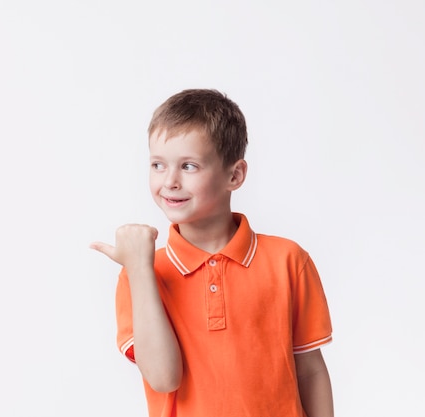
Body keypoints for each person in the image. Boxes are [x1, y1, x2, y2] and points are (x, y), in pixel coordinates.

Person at [90, 88, 334, 417]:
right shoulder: (141, 274)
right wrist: (139, 269)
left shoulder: (288, 261)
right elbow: (163, 378)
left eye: (189, 166)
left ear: (234, 175)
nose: (170, 181)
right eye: (158, 165)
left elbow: (310, 370)